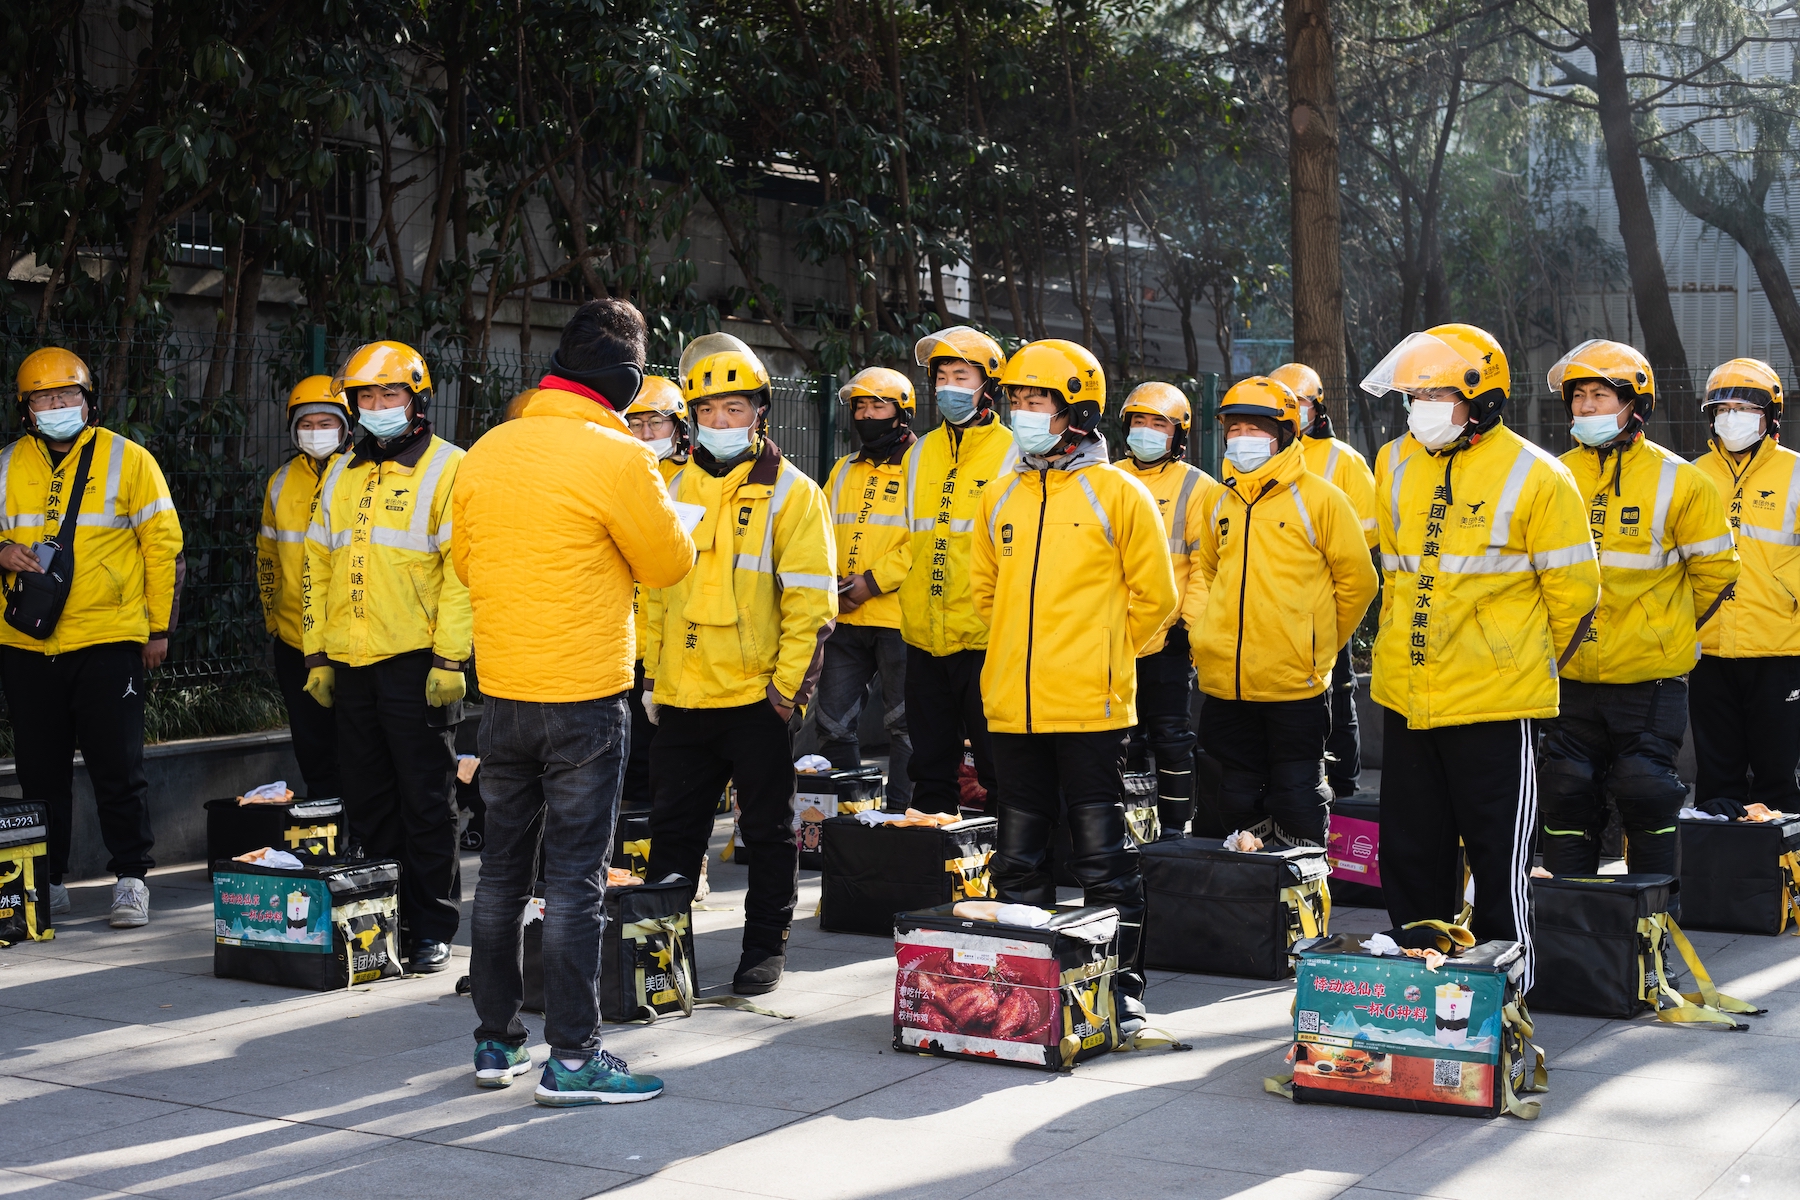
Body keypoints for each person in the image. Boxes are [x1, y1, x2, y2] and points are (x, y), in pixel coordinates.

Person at [454, 298, 692, 1106]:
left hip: (505, 695)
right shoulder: (619, 455)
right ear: (626, 380)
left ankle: (494, 1043)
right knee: (575, 884)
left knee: (498, 878)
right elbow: (668, 564)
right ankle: (573, 1057)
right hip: (586, 696)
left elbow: (463, 562)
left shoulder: (488, 448)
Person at [1361, 323, 1599, 990]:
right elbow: (1383, 563)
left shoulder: (1537, 476)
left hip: (1496, 701)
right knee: (1411, 854)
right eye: (1416, 392)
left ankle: (1507, 992)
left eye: (1437, 391)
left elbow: (1575, 597)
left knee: (1498, 857)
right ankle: (1417, 980)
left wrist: (1514, 660)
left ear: (1481, 399)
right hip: (1406, 696)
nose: (1421, 406)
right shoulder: (1394, 461)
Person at [971, 339, 1177, 1030]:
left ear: (1076, 412)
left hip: (1091, 706)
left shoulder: (1118, 492)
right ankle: (1024, 987)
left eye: (1038, 402)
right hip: (1012, 707)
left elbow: (1157, 597)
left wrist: (1109, 654)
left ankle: (1122, 988)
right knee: (1019, 854)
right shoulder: (1002, 494)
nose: (1024, 413)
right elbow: (982, 592)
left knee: (1102, 855)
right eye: (1018, 402)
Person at [642, 333, 835, 995]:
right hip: (683, 695)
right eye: (709, 412)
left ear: (760, 414)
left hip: (756, 699)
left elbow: (811, 603)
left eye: (736, 410)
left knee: (768, 832)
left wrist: (786, 695)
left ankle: (763, 951)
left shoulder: (795, 494)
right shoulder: (670, 486)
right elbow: (656, 593)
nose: (721, 423)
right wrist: (651, 677)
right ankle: (659, 958)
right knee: (672, 834)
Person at [1537, 341, 1737, 878]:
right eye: (1578, 397)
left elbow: (1716, 573)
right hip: (1569, 675)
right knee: (1564, 792)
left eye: (1600, 395)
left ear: (1634, 404)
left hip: (1649, 679)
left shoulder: (1682, 482)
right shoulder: (1551, 476)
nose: (1585, 407)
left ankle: (1652, 932)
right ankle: (1570, 930)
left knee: (1646, 792)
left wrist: (1661, 629)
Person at [303, 341, 472, 974]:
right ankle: (381, 916)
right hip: (351, 662)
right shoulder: (342, 472)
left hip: (418, 663)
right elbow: (316, 564)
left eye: (389, 395)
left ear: (417, 401)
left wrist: (451, 660)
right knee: (367, 795)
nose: (376, 407)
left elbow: (464, 571)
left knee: (427, 797)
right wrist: (317, 653)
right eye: (365, 397)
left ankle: (433, 924)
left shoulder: (449, 468)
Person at [0, 347, 182, 928]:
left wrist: (158, 629)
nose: (55, 407)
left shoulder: (129, 460)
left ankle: (131, 877)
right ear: (25, 409)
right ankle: (46, 880)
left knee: (118, 765)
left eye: (66, 396)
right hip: (28, 645)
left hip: (108, 641)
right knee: (39, 770)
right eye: (42, 399)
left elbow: (163, 548)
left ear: (89, 400)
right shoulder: (5, 465)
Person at [1188, 377, 1378, 848]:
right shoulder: (1218, 501)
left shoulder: (1322, 499)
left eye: (1255, 428)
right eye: (1233, 428)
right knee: (1229, 799)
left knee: (1297, 801)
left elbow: (1358, 582)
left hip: (1295, 685)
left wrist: (1319, 644)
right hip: (1225, 685)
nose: (1241, 439)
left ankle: (1300, 904)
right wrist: (1207, 636)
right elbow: (1209, 574)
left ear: (1286, 433)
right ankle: (1234, 911)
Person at [900, 327, 1016, 813]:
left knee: (999, 764)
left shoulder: (1014, 452)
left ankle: (1011, 867)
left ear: (986, 385)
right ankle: (933, 862)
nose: (948, 386)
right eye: (941, 376)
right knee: (929, 763)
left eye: (961, 376)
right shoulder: (920, 451)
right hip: (924, 637)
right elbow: (910, 539)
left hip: (986, 637)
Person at [1689, 358, 1800, 816]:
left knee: (1780, 780)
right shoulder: (1691, 476)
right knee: (1717, 784)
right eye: (1722, 408)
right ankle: (1719, 883)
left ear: (1770, 416)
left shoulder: (1795, 473)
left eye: (1743, 407)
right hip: (1708, 652)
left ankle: (1786, 883)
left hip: (1781, 652)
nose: (1731, 417)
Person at [1271, 361, 1379, 798]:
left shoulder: (1344, 461)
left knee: (1338, 688)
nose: (1292, 411)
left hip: (1327, 600)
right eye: (1284, 403)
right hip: (1271, 600)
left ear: (1318, 408)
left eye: (1299, 403)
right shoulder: (1259, 453)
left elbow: (1368, 535)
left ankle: (1346, 789)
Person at [1116, 382, 1214, 836]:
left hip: (1167, 639)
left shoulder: (1199, 488)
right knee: (1123, 740)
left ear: (1179, 435)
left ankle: (1176, 828)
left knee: (1172, 738)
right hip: (1113, 638)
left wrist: (1186, 628)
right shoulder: (1107, 477)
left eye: (1160, 424)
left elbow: (1205, 567)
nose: (1147, 431)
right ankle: (1132, 827)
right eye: (1139, 422)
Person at [817, 367, 916, 806]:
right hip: (845, 615)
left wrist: (873, 582)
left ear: (902, 413)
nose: (867, 414)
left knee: (905, 726)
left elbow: (930, 540)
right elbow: (816, 533)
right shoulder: (842, 469)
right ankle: (845, 815)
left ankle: (900, 818)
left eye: (879, 405)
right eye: (860, 405)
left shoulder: (923, 466)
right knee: (833, 722)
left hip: (899, 619)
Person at [258, 376, 350, 802]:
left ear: (347, 425)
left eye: (326, 422)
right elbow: (267, 556)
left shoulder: (363, 475)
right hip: (295, 640)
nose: (316, 432)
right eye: (307, 424)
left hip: (351, 642)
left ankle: (362, 835)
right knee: (312, 747)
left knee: (356, 745)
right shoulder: (279, 481)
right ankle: (324, 829)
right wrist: (274, 619)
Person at [622, 375, 690, 812]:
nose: (646, 435)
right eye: (636, 424)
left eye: (657, 424)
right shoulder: (615, 475)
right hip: (618, 639)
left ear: (679, 429)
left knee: (663, 761)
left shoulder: (694, 480)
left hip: (673, 641)